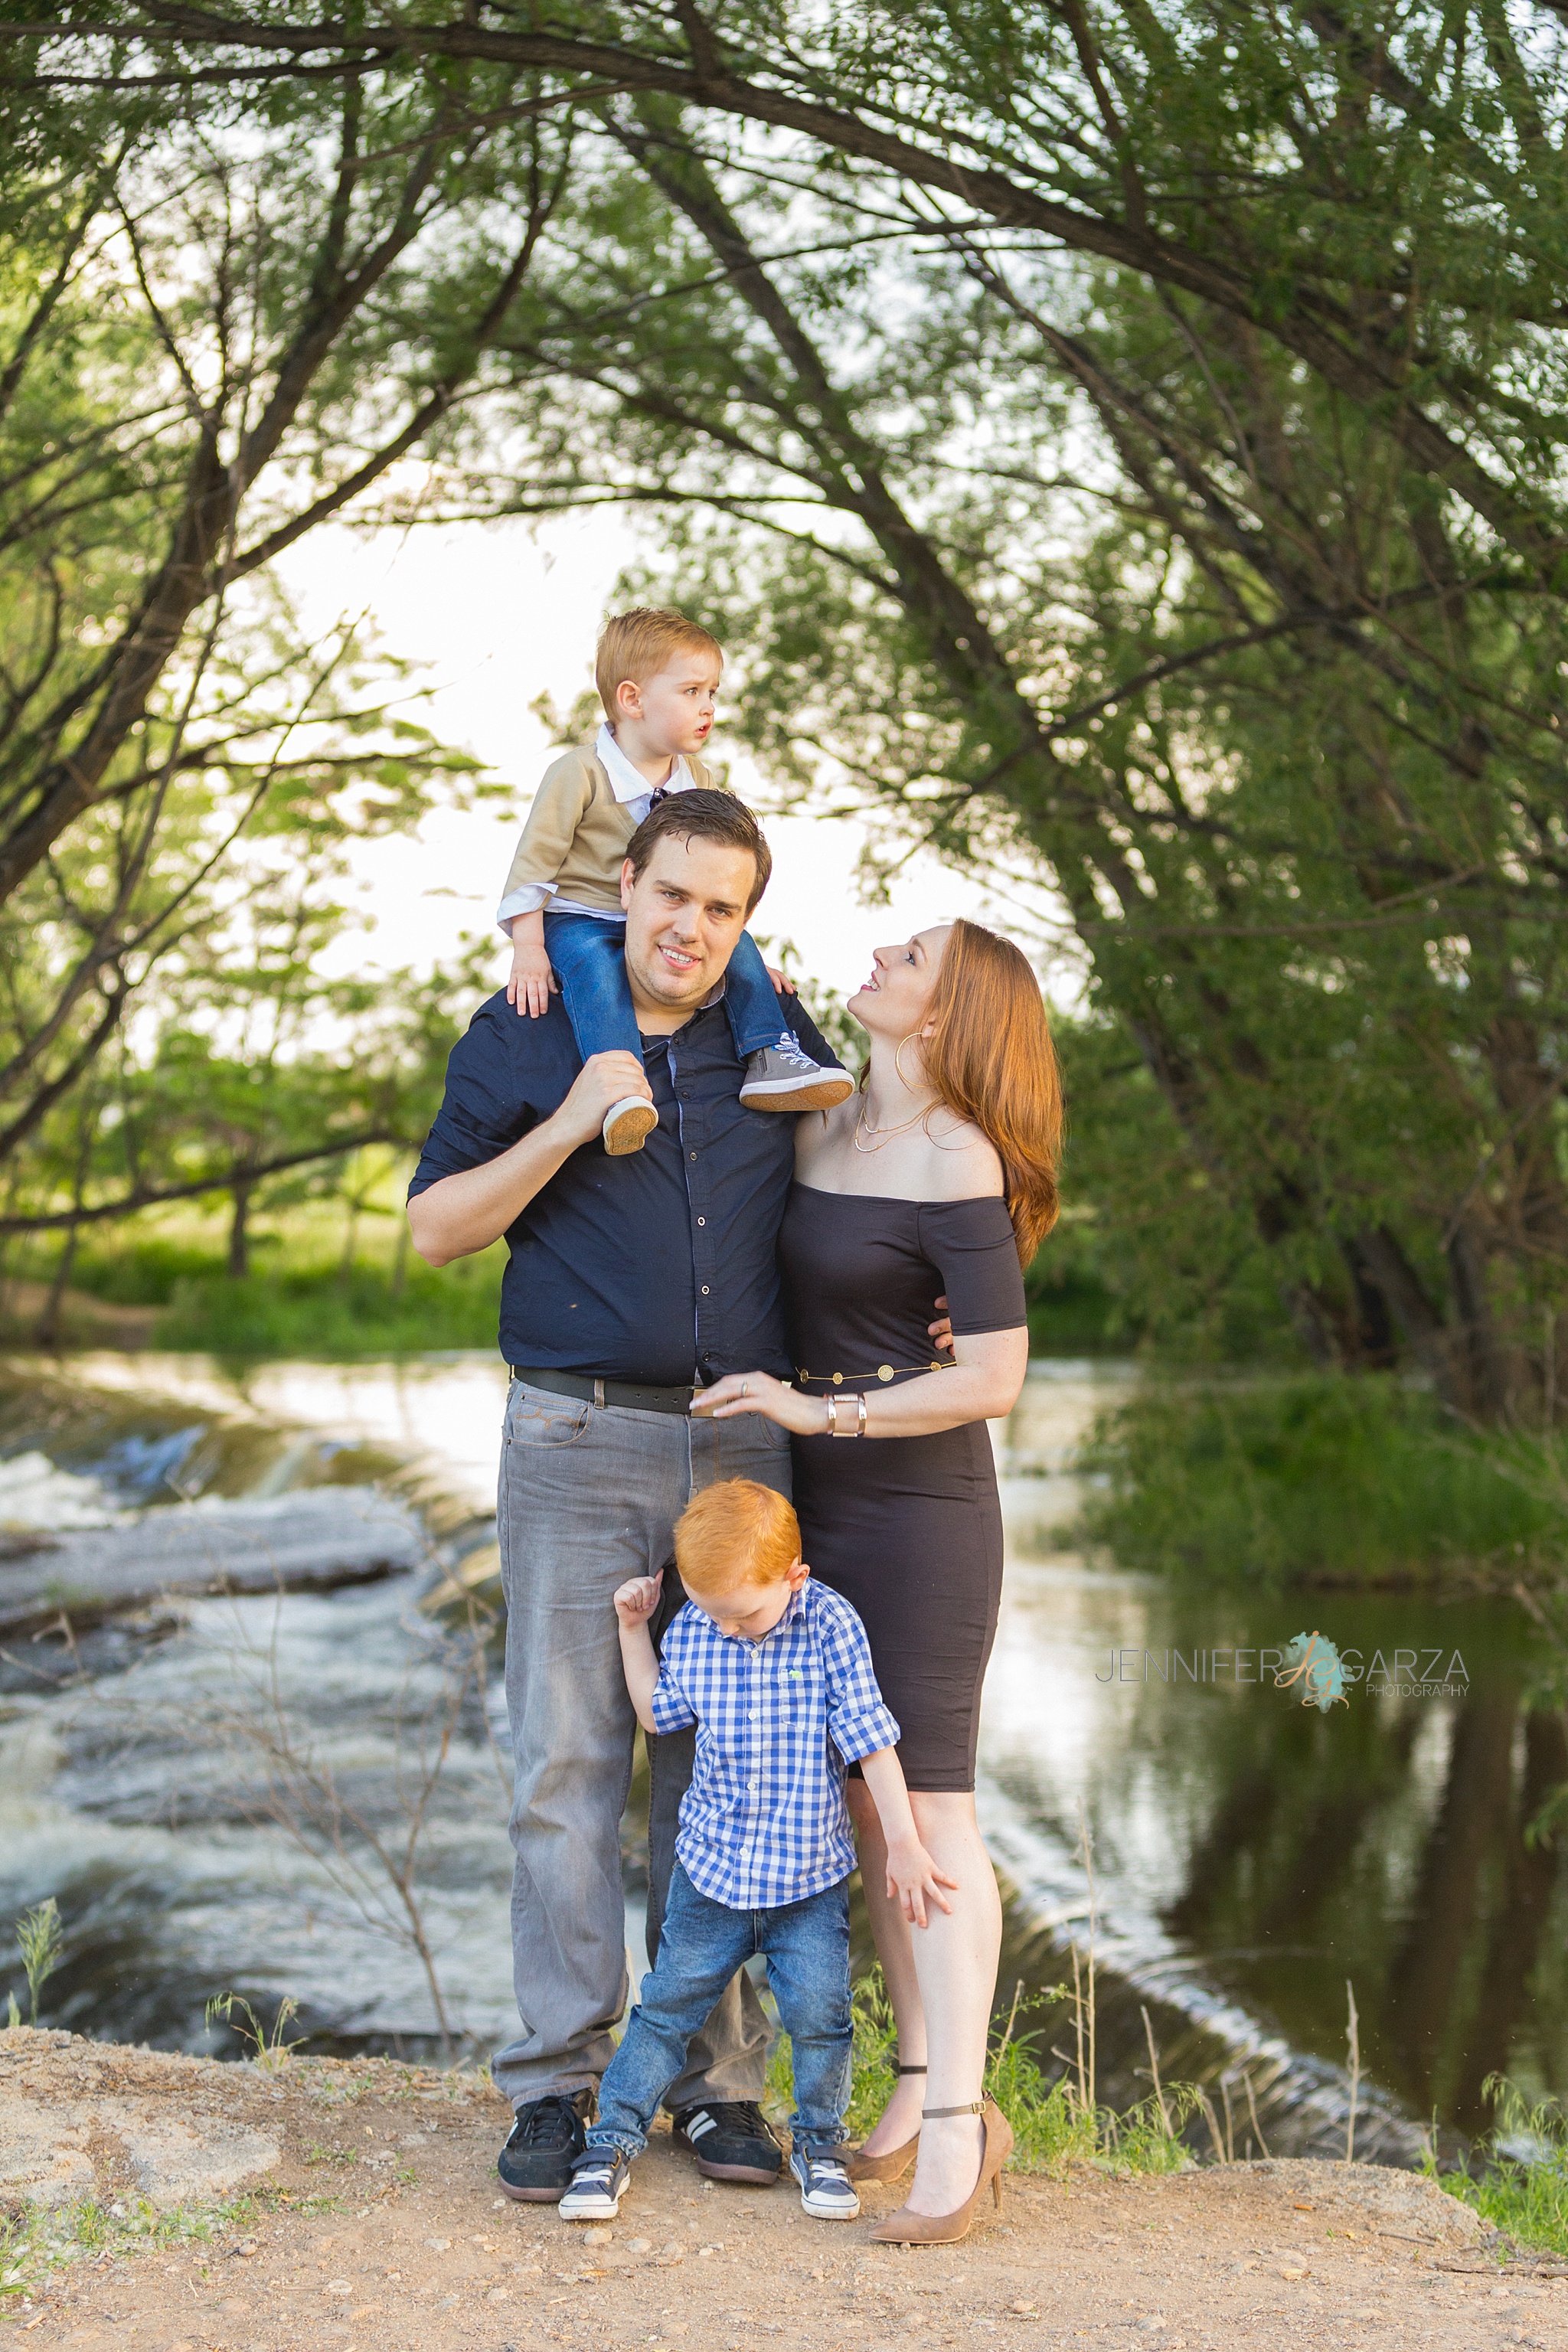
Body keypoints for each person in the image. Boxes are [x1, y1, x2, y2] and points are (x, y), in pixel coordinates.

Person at [407, 788, 882, 2207]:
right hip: (573, 1438)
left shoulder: (773, 1042)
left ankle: (715, 2087)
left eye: (721, 907)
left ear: (747, 924)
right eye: (671, 894)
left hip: (740, 1454)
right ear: (624, 885)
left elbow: (868, 1200)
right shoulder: (529, 1024)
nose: (689, 928)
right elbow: (434, 1228)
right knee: (564, 1769)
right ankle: (557, 2083)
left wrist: (927, 1322)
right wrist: (567, 1120)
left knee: (734, 1768)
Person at [692, 919, 1062, 2244]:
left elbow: (994, 1376)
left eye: (906, 959)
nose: (880, 959)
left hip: (917, 1512)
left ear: (946, 1014)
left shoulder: (958, 1156)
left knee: (938, 1816)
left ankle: (963, 2136)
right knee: (867, 1807)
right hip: (817, 1507)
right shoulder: (828, 1121)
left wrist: (817, 1411)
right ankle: (913, 2088)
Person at [559, 1480, 952, 2225]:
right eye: (712, 1611)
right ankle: (607, 2147)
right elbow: (656, 1712)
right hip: (710, 1878)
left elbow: (872, 1738)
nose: (728, 1627)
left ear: (793, 1577)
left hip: (807, 1881)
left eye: (743, 1612)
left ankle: (819, 2145)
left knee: (821, 2017)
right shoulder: (697, 1630)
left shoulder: (831, 1624)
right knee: (664, 2013)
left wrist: (902, 1840)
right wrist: (631, 1628)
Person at [498, 606, 851, 1152]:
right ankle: (621, 1090)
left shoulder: (698, 780)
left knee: (738, 940)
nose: (708, 707)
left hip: (668, 915)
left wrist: (745, 962)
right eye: (691, 691)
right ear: (633, 699)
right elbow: (533, 865)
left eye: (713, 692)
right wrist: (529, 945)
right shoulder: (579, 774)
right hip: (585, 915)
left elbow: (721, 882)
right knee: (595, 970)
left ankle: (768, 1055)